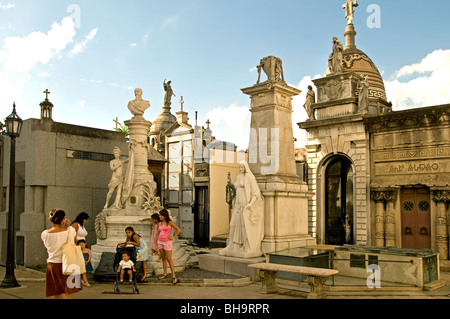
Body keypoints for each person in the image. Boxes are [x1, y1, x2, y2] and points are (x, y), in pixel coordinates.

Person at [219, 161, 264, 258]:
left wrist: (251, 204)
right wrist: (230, 184)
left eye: (242, 168)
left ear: (245, 168)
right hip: (238, 205)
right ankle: (232, 245)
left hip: (245, 205)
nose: (240, 169)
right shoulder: (239, 177)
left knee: (244, 226)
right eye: (239, 167)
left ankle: (246, 246)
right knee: (233, 225)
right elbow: (236, 187)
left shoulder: (250, 177)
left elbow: (256, 193)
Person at [41, 209, 82, 299]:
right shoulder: (70, 230)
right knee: (68, 293)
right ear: (63, 219)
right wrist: (68, 227)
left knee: (56, 292)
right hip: (69, 263)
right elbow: (73, 243)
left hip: (52, 264)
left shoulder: (45, 234)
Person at [157, 209, 181, 284]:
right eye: (159, 215)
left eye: (161, 215)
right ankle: (165, 273)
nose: (160, 216)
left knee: (169, 259)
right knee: (163, 258)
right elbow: (158, 232)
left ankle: (174, 275)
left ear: (164, 215)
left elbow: (178, 230)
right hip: (160, 242)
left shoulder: (169, 222)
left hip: (167, 242)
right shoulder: (160, 223)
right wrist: (156, 242)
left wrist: (173, 237)